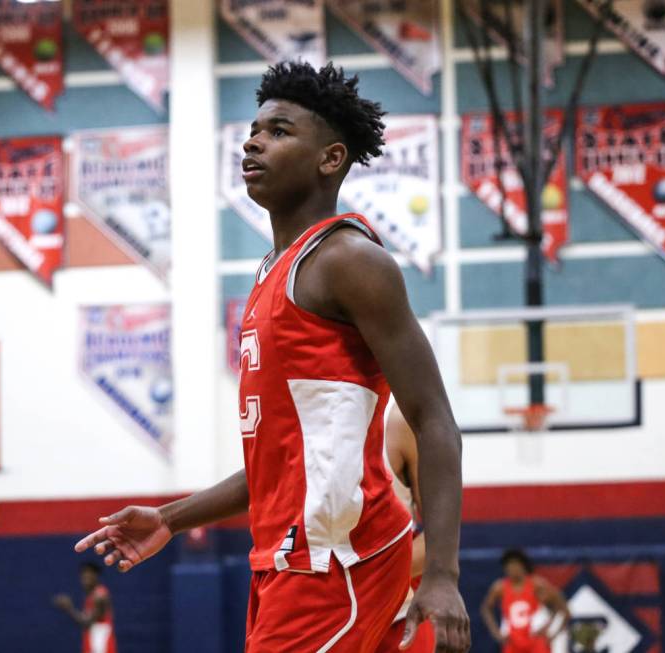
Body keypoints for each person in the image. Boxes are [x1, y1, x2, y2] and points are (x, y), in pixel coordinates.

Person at [74, 61, 470, 653]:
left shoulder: (350, 262)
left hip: (337, 563)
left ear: (329, 158)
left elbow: (435, 419)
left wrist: (441, 574)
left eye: (279, 131)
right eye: (253, 130)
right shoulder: (271, 274)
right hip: (288, 559)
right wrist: (171, 519)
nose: (253, 140)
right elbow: (279, 469)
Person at [375, 403, 436, 653]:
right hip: (324, 611)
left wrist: (365, 577)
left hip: (397, 616)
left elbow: (438, 541)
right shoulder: (301, 412)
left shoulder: (400, 419)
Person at [480, 549, 570, 653]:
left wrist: (552, 633)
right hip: (513, 643)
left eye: (515, 564)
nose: (512, 568)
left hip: (536, 642)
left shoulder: (537, 585)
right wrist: (497, 633)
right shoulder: (500, 588)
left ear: (523, 566)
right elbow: (486, 609)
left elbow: (563, 609)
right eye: (509, 565)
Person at [52, 562, 117, 653]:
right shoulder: (91, 595)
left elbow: (86, 622)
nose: (85, 580)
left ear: (96, 576)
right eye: (83, 577)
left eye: (88, 577)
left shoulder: (99, 596)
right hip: (94, 640)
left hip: (100, 643)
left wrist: (69, 608)